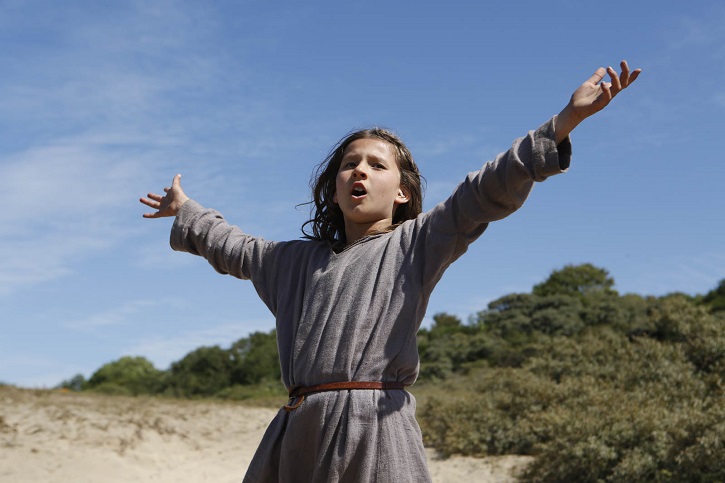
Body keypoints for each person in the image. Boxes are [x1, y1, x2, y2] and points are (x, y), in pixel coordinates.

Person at [140, 61, 641, 483]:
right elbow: (233, 245)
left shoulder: (417, 243)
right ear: (333, 190)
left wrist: (563, 122)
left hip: (376, 431)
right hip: (297, 433)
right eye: (350, 164)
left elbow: (482, 193)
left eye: (377, 166)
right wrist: (187, 209)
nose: (360, 170)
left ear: (402, 193)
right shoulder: (289, 262)